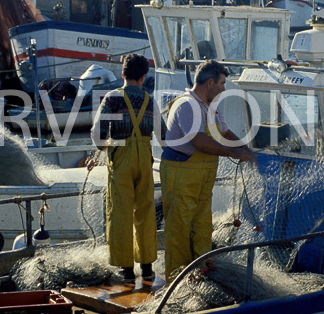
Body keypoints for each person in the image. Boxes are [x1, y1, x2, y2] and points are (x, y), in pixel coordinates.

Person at [160, 59, 255, 281]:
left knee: (202, 225)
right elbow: (199, 141)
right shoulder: (186, 105)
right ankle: (177, 279)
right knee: (179, 227)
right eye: (222, 84)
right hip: (181, 174)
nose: (224, 89)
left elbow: (225, 133)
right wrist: (233, 154)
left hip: (201, 178)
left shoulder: (211, 107)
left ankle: (201, 271)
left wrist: (246, 149)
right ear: (210, 82)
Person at [91, 54, 159, 282]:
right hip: (144, 159)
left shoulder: (111, 98)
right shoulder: (150, 99)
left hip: (121, 158)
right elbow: (165, 135)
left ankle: (127, 270)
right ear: (143, 77)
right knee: (145, 211)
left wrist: (108, 146)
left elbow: (97, 135)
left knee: (120, 212)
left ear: (122, 74)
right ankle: (147, 266)